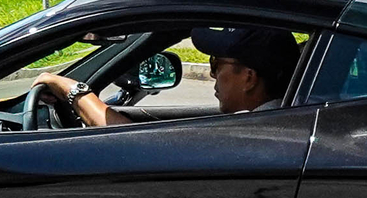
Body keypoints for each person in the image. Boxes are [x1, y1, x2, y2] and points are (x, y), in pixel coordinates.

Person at [32, 24, 299, 125]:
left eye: (217, 64)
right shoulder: (278, 119)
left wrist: (70, 89)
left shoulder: (255, 130)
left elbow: (136, 145)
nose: (211, 74)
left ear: (249, 77)